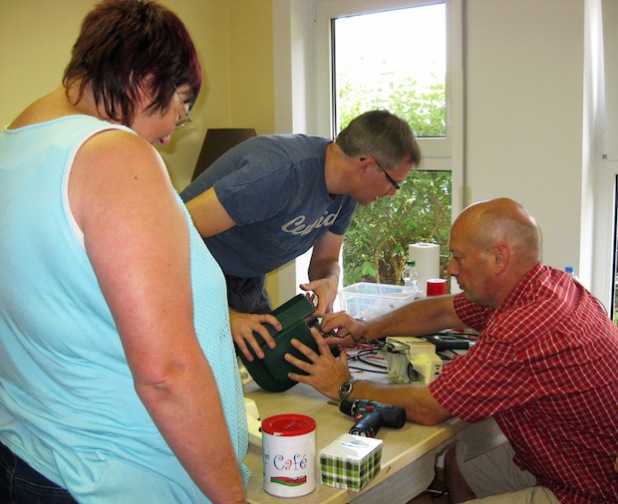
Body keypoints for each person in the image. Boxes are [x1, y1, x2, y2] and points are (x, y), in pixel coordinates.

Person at [0, 1, 248, 502]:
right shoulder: (114, 156)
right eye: (181, 102)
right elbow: (167, 373)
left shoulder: (15, 147)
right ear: (145, 81)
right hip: (119, 480)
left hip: (34, 458)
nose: (176, 126)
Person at [284, 198, 618, 503]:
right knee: (459, 464)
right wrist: (365, 328)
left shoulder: (524, 326)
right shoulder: (550, 285)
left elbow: (431, 408)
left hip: (588, 490)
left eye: (459, 257)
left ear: (500, 257)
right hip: (567, 459)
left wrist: (344, 387)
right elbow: (443, 310)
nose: (452, 270)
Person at [180, 110, 421, 362]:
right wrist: (222, 316)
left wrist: (329, 280)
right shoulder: (278, 173)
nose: (393, 193)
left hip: (247, 279)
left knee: (266, 368)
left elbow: (324, 260)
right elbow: (170, 237)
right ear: (367, 166)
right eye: (394, 183)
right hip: (188, 276)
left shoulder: (346, 193)